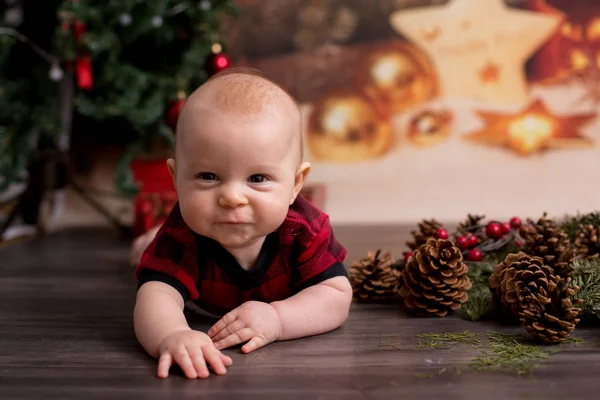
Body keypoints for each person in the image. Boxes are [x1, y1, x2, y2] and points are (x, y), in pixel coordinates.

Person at [133, 68, 352, 380]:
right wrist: (172, 335)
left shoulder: (304, 230)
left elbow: (335, 295)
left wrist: (278, 318)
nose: (232, 197)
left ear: (295, 184)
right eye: (208, 176)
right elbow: (154, 296)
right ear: (176, 178)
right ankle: (145, 243)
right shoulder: (181, 237)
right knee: (149, 258)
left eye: (258, 178)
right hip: (194, 287)